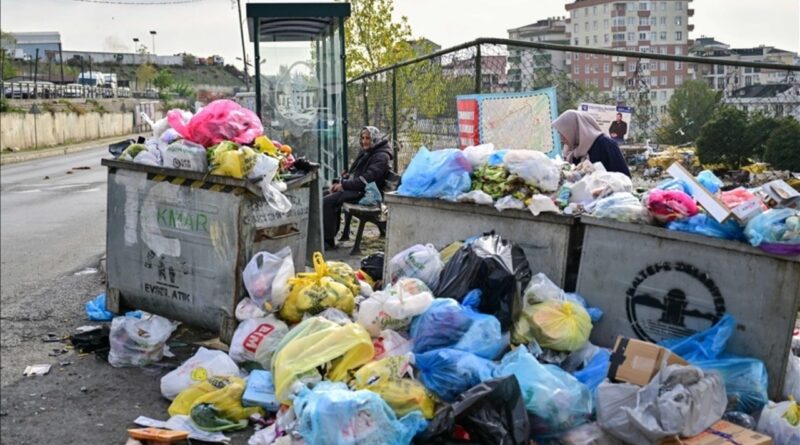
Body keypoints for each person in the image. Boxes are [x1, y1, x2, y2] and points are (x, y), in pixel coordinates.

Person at [323, 126, 392, 249]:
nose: (364, 141)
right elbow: (358, 174)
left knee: (327, 201)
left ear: (375, 139)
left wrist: (343, 185)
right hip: (358, 189)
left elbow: (366, 180)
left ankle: (328, 241)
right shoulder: (369, 151)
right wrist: (345, 178)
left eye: (368, 138)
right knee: (324, 194)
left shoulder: (381, 157)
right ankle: (327, 235)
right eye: (363, 138)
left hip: (367, 194)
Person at [552, 110, 631, 176]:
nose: (561, 139)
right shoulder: (572, 152)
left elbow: (624, 178)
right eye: (560, 134)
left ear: (574, 130)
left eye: (564, 134)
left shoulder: (605, 144)